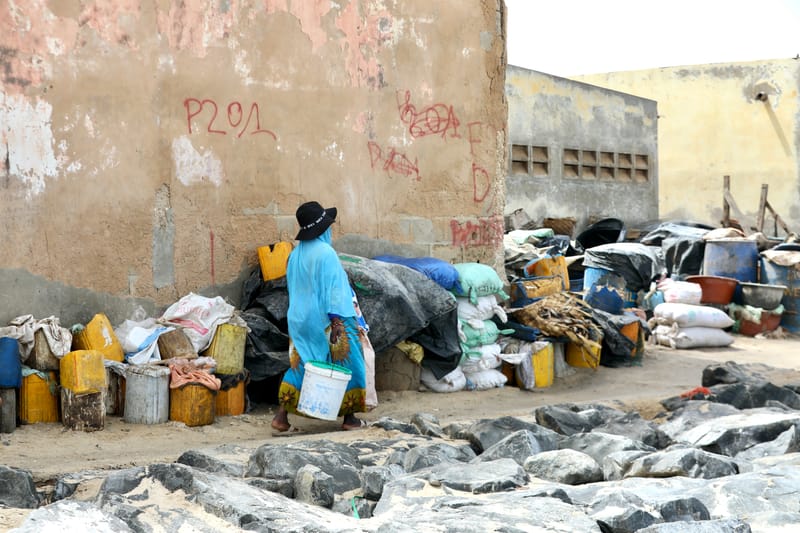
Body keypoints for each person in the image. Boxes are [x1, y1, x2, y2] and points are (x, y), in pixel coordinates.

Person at [271, 201, 368, 434]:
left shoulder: (294, 256)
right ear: (323, 229)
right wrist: (336, 323)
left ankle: (281, 416)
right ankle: (350, 417)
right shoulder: (327, 254)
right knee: (348, 363)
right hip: (331, 319)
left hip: (300, 320)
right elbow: (333, 290)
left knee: (303, 362)